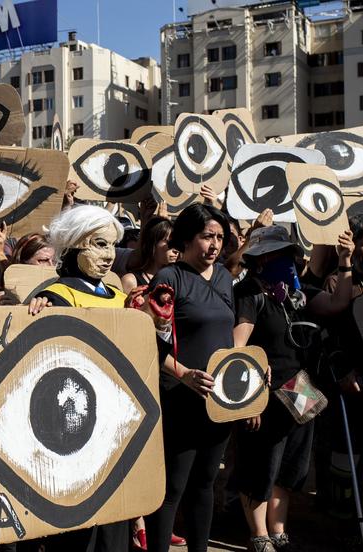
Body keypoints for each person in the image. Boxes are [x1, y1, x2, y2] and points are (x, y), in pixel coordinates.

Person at [232, 225, 354, 552]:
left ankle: (278, 530)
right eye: (278, 255)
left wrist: (344, 261)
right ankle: (259, 534)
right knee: (260, 466)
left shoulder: (296, 295)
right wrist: (250, 400)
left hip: (300, 392)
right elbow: (238, 349)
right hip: (266, 398)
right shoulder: (250, 293)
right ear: (258, 260)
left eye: (289, 254)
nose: (287, 260)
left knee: (289, 469)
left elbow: (338, 302)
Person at [31, 204, 129, 552]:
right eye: (98, 244)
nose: (109, 256)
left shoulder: (122, 299)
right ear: (74, 247)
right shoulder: (56, 296)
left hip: (116, 426)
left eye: (112, 245)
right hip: (72, 427)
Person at [144, 203, 235, 552]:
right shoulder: (170, 278)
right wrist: (184, 376)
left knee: (205, 483)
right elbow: (151, 341)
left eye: (220, 238)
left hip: (218, 399)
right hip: (179, 397)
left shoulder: (226, 277)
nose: (214, 245)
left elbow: (231, 334)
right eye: (206, 236)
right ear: (187, 238)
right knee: (173, 486)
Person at [121, 216, 176, 293]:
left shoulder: (178, 281)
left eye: (177, 243)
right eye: (169, 242)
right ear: (152, 243)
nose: (175, 249)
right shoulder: (131, 281)